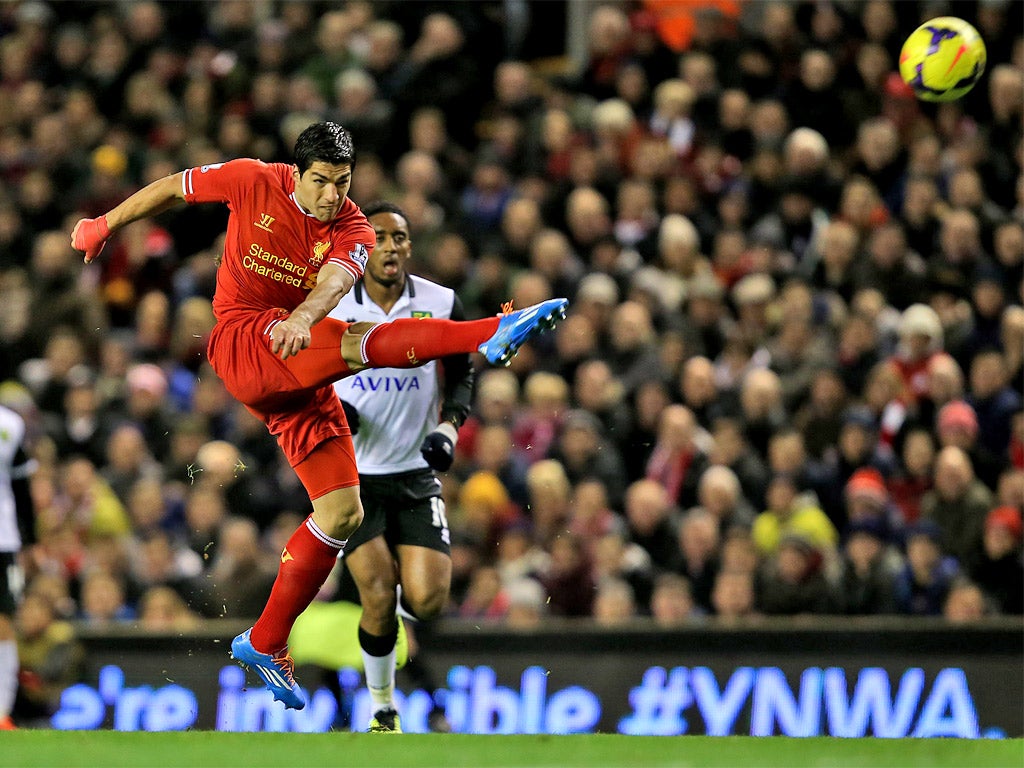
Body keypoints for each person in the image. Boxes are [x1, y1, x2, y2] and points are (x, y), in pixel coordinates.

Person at [70, 121, 568, 710]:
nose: (334, 195)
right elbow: (173, 188)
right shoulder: (252, 179)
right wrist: (106, 223)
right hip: (244, 340)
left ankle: (265, 638)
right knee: (363, 340)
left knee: (341, 512)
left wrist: (305, 316)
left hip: (294, 357)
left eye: (344, 181)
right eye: (323, 182)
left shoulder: (355, 226)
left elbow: (336, 280)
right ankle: (488, 333)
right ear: (297, 172)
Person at [327, 201, 470, 733]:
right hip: (352, 480)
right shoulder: (333, 303)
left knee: (429, 600)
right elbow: (302, 376)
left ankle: (394, 650)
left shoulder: (439, 301)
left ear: (410, 246)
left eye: (400, 238)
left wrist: (448, 427)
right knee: (377, 593)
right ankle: (384, 707)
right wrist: (332, 414)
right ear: (364, 247)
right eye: (380, 238)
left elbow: (460, 375)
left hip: (414, 473)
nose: (390, 247)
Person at [0, 403, 37, 729]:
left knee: (3, 625)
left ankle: (0, 713)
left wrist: (32, 541)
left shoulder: (9, 424)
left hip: (3, 538)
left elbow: (21, 487)